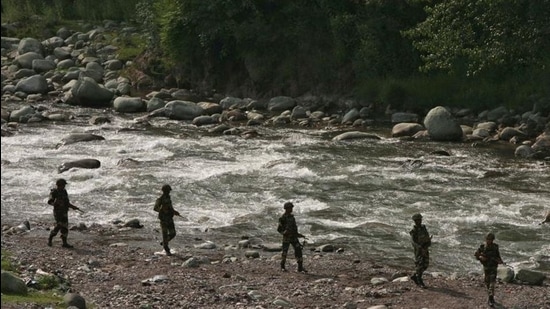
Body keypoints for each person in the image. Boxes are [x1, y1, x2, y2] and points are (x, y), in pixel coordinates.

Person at [47, 178, 81, 248]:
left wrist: (73, 207)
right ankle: (50, 238)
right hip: (58, 212)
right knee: (58, 226)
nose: (64, 186)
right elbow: (50, 202)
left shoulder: (64, 191)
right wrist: (56, 204)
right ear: (59, 185)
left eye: (64, 185)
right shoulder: (54, 192)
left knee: (65, 227)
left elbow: (66, 202)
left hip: (64, 212)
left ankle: (64, 243)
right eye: (63, 185)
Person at [474, 232, 504, 307]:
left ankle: (491, 299)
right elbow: (476, 255)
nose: (489, 240)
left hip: (493, 267)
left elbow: (498, 256)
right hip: (486, 267)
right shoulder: (482, 247)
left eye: (490, 239)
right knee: (487, 283)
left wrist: (500, 261)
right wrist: (481, 257)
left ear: (493, 240)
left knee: (492, 284)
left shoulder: (495, 247)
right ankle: (490, 297)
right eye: (488, 239)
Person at [277, 202, 307, 272]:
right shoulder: (282, 218)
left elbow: (294, 227)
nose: (291, 209)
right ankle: (282, 266)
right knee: (285, 252)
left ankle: (300, 267)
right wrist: (284, 232)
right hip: (286, 238)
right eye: (290, 208)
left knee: (298, 250)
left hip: (294, 237)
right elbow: (279, 229)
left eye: (292, 207)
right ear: (286, 208)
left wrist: (298, 234)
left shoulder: (292, 217)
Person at [154, 184, 180, 256]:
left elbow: (170, 207)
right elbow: (155, 208)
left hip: (169, 218)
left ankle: (164, 242)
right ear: (164, 191)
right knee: (165, 234)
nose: (169, 192)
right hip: (163, 219)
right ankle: (166, 248)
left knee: (173, 233)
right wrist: (162, 210)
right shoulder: (160, 199)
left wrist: (174, 212)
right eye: (167, 190)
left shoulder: (168, 198)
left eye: (169, 191)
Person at [409, 213, 432, 288]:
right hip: (419, 250)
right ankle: (419, 280)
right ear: (415, 221)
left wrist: (428, 242)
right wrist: (418, 247)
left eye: (420, 220)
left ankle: (415, 275)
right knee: (420, 264)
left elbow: (427, 236)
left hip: (425, 248)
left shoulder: (423, 228)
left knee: (426, 264)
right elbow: (413, 241)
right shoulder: (414, 230)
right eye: (417, 220)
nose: (419, 221)